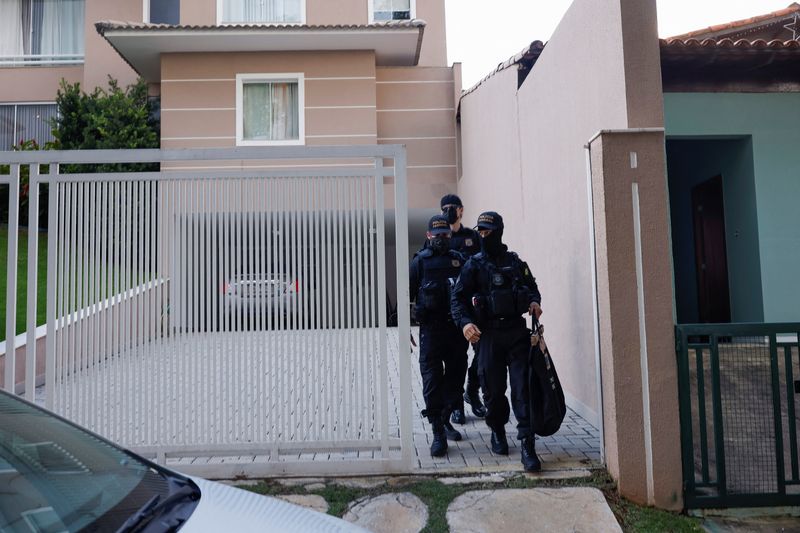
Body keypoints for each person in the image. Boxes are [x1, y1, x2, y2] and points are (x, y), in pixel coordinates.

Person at [451, 211, 544, 472]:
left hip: (516, 334)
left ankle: (527, 443)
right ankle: (498, 430)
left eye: (487, 231)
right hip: (488, 336)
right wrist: (466, 323)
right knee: (492, 391)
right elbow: (457, 299)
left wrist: (535, 302)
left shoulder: (515, 263)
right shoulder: (474, 265)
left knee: (522, 389)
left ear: (499, 232)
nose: (482, 235)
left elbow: (533, 287)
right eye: (479, 231)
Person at [409, 215, 469, 457]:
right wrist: (406, 330)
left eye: (445, 234)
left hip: (456, 331)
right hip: (431, 331)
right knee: (432, 381)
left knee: (455, 381)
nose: (441, 239)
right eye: (437, 235)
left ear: (450, 235)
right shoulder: (419, 263)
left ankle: (445, 418)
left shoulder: (460, 261)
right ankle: (437, 431)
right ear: (428, 236)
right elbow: (407, 295)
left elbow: (469, 294)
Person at [439, 194, 486, 425]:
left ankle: (472, 391)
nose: (448, 211)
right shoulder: (439, 238)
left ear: (461, 210)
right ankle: (457, 405)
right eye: (444, 208)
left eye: (452, 208)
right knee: (456, 359)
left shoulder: (473, 237)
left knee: (482, 353)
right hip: (453, 310)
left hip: (474, 306)